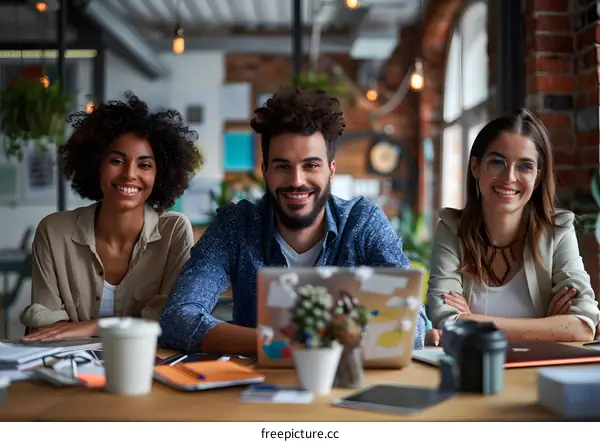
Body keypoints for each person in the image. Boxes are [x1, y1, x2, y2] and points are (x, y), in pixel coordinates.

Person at [159, 87, 428, 354]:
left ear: (331, 171)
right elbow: (178, 318)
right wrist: (285, 345)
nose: (297, 180)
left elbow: (413, 325)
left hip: (342, 384)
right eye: (282, 166)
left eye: (310, 165)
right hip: (255, 386)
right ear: (265, 171)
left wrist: (304, 342)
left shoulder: (362, 223)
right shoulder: (235, 226)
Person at [20, 93, 203, 341]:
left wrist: (95, 327)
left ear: (160, 175)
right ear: (96, 164)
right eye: (117, 160)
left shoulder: (174, 231)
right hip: (71, 370)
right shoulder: (54, 232)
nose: (129, 174)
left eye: (145, 165)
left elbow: (172, 320)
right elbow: (45, 326)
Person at [426, 109, 600, 342]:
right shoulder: (451, 228)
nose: (509, 177)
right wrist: (546, 326)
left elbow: (583, 326)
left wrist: (472, 320)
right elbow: (446, 319)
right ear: (476, 167)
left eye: (525, 166)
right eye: (497, 162)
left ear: (537, 178)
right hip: (473, 368)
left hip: (539, 372)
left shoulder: (558, 229)